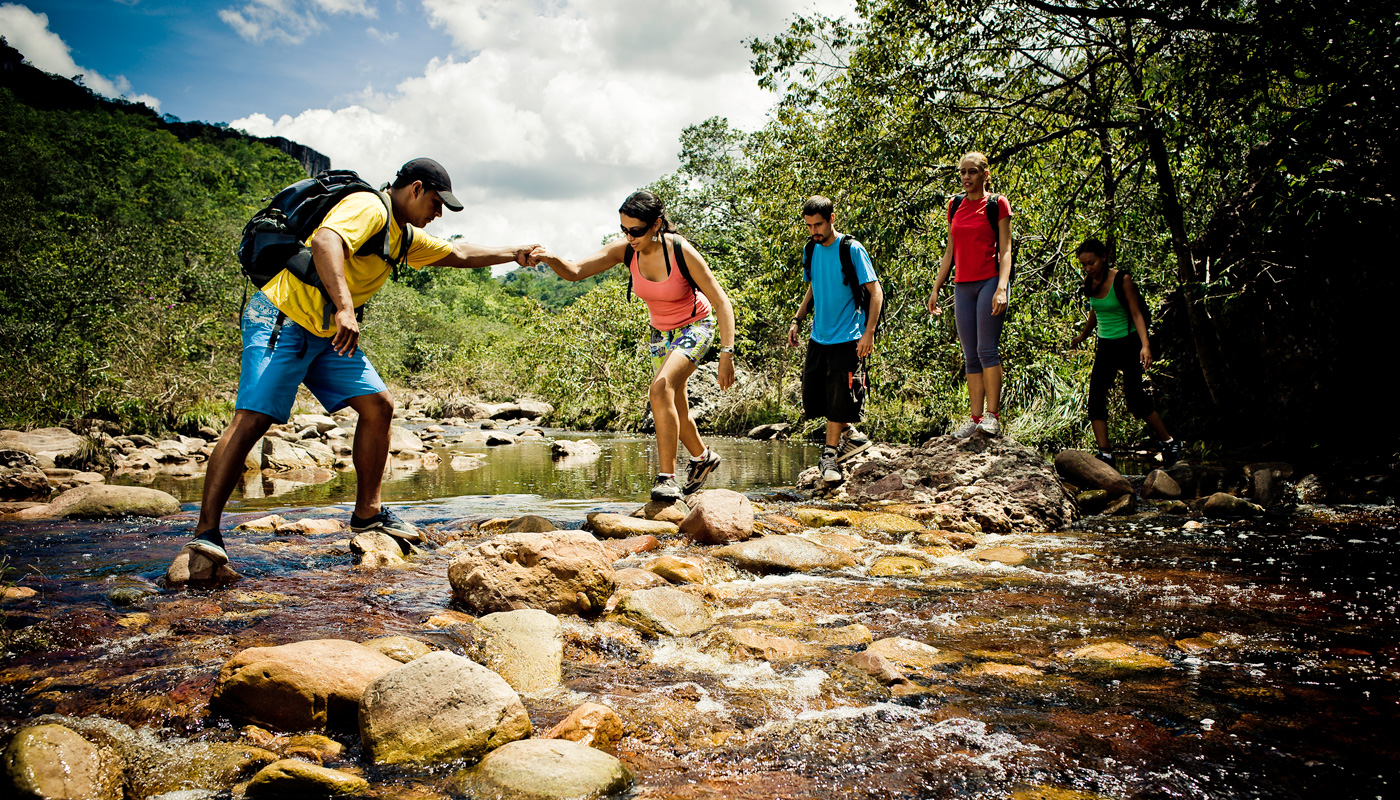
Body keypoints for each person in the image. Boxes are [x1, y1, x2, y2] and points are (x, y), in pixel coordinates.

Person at [173, 158, 537, 576]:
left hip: (328, 331)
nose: (438, 214)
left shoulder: (401, 236)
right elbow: (326, 240)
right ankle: (207, 533)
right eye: (437, 203)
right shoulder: (370, 206)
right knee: (253, 419)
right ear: (415, 189)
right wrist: (346, 307)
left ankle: (368, 513)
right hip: (284, 315)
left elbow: (457, 251)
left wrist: (515, 253)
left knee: (378, 405)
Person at [528, 190, 735, 502]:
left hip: (696, 325)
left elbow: (722, 302)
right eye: (624, 229)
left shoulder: (681, 252)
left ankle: (666, 479)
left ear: (657, 224)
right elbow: (575, 272)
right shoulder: (625, 251)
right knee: (675, 403)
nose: (629, 236)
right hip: (660, 333)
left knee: (659, 389)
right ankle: (703, 458)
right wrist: (550, 258)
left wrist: (726, 354)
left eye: (636, 230)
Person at [787, 196, 883, 485]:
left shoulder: (851, 249)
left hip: (849, 336)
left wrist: (869, 332)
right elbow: (814, 287)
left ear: (831, 218)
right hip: (820, 336)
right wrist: (798, 319)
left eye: (818, 224)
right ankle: (851, 435)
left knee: (839, 396)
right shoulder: (811, 249)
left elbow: (876, 292)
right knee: (813, 398)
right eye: (809, 226)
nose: (814, 231)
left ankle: (829, 456)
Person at [1069, 238, 1182, 467]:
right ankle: (1105, 454)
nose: (1088, 268)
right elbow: (1096, 311)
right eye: (1084, 265)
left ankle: (1169, 441)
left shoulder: (1123, 280)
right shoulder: (1089, 282)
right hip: (1105, 345)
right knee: (1095, 398)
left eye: (1091, 262)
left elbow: (1136, 313)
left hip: (1128, 341)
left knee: (1135, 399)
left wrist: (1145, 345)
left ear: (1103, 257)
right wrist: (1083, 335)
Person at [926, 151, 1013, 438]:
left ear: (985, 174)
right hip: (963, 284)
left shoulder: (997, 204)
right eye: (962, 172)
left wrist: (1002, 287)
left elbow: (1006, 249)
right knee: (969, 355)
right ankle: (975, 419)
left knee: (986, 349)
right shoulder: (955, 204)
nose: (966, 177)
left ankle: (992, 416)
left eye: (972, 172)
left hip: (990, 281)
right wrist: (937, 287)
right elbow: (950, 251)